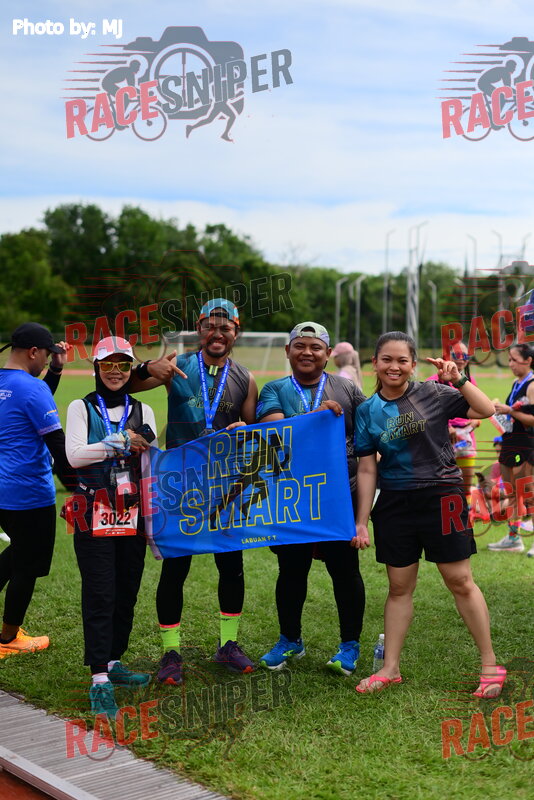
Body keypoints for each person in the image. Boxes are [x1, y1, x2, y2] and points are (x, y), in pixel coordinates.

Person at [353, 331, 506, 698]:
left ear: (412, 365)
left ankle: (490, 665)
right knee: (398, 587)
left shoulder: (434, 393)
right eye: (387, 359)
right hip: (394, 503)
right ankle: (390, 668)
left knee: (460, 580)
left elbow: (485, 410)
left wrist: (459, 379)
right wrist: (361, 520)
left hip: (443, 497)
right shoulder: (367, 411)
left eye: (402, 360)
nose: (394, 366)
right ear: (375, 363)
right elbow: (367, 468)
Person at [136, 298, 258, 684]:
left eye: (226, 327)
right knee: (175, 568)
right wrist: (147, 367)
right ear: (199, 328)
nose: (217, 333)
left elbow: (257, 432)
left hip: (226, 487)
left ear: (236, 332)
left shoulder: (245, 378)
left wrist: (245, 429)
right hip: (180, 484)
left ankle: (228, 645)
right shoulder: (179, 366)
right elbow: (127, 384)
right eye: (210, 326)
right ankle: (171, 651)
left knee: (231, 567)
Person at [256, 322, 367, 676]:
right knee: (291, 570)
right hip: (293, 496)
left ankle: (350, 645)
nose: (307, 352)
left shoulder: (347, 388)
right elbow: (275, 431)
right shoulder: (274, 389)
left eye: (315, 347)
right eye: (300, 346)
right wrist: (316, 418)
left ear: (328, 354)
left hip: (339, 496)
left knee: (345, 571)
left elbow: (368, 431)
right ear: (287, 351)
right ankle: (290, 639)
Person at [65, 336, 158, 716]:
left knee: (126, 590)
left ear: (131, 368)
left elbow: (149, 463)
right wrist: (120, 441)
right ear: (97, 368)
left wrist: (152, 523)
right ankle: (99, 678)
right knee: (100, 592)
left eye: (123, 364)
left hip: (132, 512)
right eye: (108, 364)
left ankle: (115, 661)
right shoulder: (81, 407)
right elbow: (75, 456)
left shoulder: (144, 409)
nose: (115, 371)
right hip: (93, 510)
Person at [0, 323, 71, 659]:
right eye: (46, 355)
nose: (46, 360)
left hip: (4, 491)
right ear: (33, 352)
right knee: (27, 566)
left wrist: (54, 371)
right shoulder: (32, 388)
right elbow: (57, 444)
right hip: (28, 492)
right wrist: (80, 487)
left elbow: (31, 402)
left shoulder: (7, 383)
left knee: (19, 552)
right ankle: (8, 637)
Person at [489, 343, 534, 555]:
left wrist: (509, 411)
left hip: (527, 445)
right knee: (512, 493)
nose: (510, 364)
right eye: (509, 360)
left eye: (514, 360)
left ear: (528, 360)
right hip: (510, 442)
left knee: (529, 493)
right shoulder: (517, 383)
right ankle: (514, 539)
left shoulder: (532, 385)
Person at [427, 342, 480, 500]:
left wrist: (476, 421)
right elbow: (427, 412)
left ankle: (466, 510)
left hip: (465, 440)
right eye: (457, 355)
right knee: (443, 484)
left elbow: (478, 408)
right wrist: (448, 427)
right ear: (447, 356)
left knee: (466, 483)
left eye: (465, 355)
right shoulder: (433, 381)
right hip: (441, 441)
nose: (462, 359)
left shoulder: (469, 381)